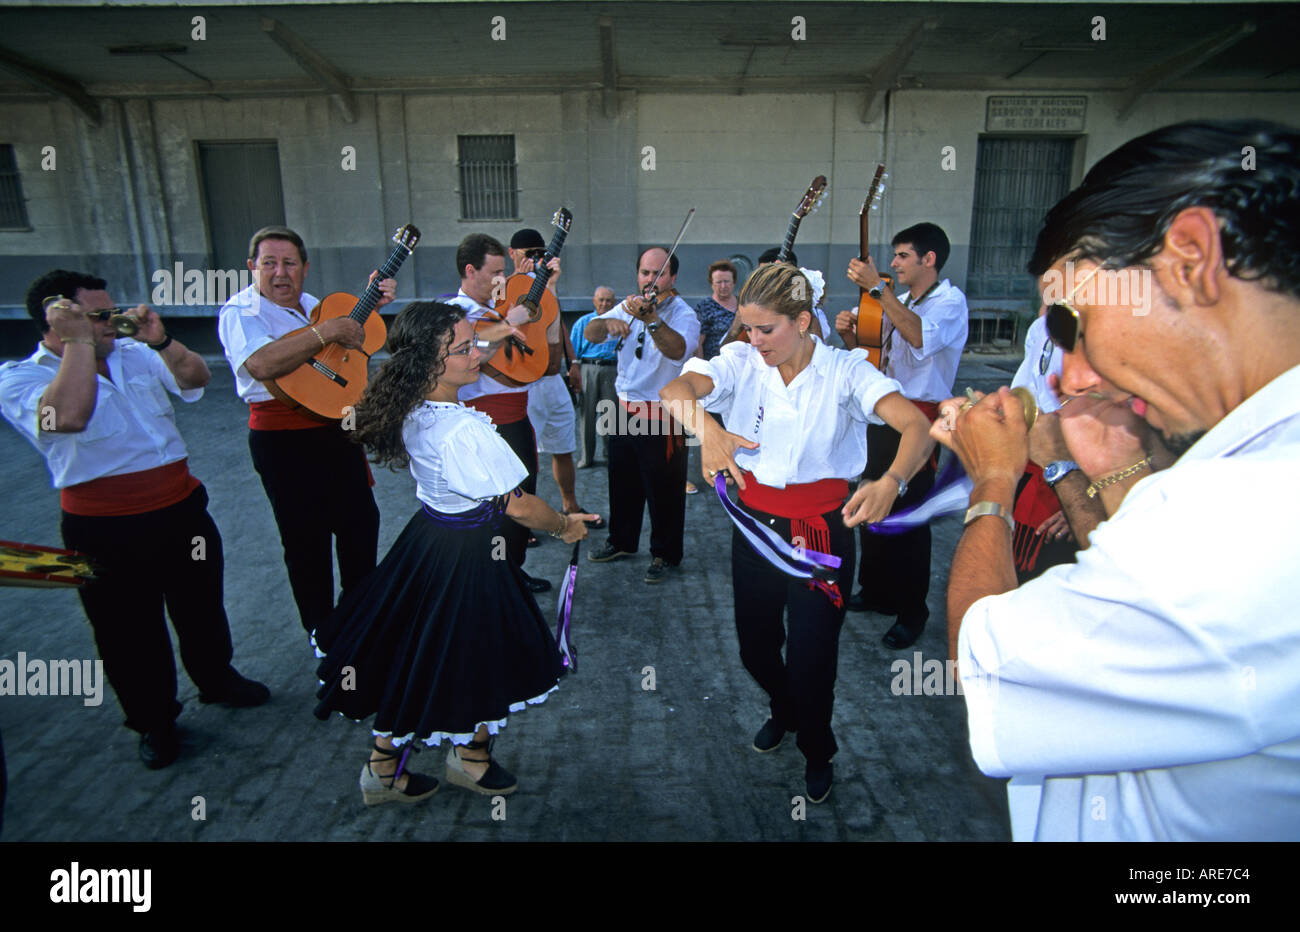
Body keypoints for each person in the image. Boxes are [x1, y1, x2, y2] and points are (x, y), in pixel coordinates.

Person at [936, 119, 1300, 841]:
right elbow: (1140, 596)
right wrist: (1097, 469)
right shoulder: (1247, 478)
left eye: (1074, 323)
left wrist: (995, 481)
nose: (1072, 374)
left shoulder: (1245, 516)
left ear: (1192, 256)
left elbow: (984, 663)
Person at [661, 263, 932, 802]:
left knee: (813, 659)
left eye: (767, 330)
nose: (753, 340)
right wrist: (708, 430)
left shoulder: (846, 370)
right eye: (747, 327)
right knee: (755, 650)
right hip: (755, 528)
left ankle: (817, 745)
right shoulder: (741, 361)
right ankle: (783, 708)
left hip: (822, 534)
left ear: (803, 321)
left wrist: (892, 481)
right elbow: (676, 389)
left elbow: (917, 426)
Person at [312, 302, 592, 805]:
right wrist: (565, 526)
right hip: (466, 558)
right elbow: (520, 506)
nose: (477, 354)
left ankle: (411, 764)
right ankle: (452, 761)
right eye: (462, 349)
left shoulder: (418, 407)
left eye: (473, 342)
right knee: (470, 653)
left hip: (432, 543)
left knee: (426, 651)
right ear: (426, 363)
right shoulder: (465, 429)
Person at [0, 271, 269, 770]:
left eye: (111, 311)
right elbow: (68, 417)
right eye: (96, 316)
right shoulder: (20, 376)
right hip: (105, 527)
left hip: (180, 507)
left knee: (201, 604)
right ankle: (154, 720)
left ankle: (216, 678)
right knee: (127, 631)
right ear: (56, 319)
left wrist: (162, 340)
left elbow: (196, 380)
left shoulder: (132, 353)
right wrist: (82, 344)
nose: (111, 323)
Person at [217, 226, 393, 637]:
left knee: (360, 525)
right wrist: (326, 332)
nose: (280, 272)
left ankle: (359, 619)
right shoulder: (241, 311)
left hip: (336, 430)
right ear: (251, 268)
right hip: (283, 438)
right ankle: (322, 632)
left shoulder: (316, 305)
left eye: (289, 263)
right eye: (269, 263)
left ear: (305, 268)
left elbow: (349, 354)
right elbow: (261, 365)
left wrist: (369, 306)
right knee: (305, 541)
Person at [835, 222, 968, 648]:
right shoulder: (904, 299)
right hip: (885, 410)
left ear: (929, 259)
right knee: (871, 497)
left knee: (909, 514)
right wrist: (850, 335)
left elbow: (918, 337)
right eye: (893, 256)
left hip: (921, 418)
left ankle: (913, 609)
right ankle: (876, 590)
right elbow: (881, 351)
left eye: (902, 256)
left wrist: (879, 290)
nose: (893, 263)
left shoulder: (949, 301)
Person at [445, 233, 558, 593]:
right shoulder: (452, 312)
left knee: (521, 500)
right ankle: (489, 581)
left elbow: (547, 364)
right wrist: (511, 320)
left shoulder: (502, 304)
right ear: (469, 270)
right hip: (482, 422)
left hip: (518, 418)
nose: (501, 280)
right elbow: (472, 353)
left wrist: (546, 296)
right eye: (495, 272)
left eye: (503, 272)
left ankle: (511, 571)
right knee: (491, 509)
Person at [584, 247, 700, 583]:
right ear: (638, 275)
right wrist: (607, 320)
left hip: (663, 413)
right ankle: (622, 540)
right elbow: (592, 334)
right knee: (622, 481)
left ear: (672, 278)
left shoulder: (682, 314)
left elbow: (678, 350)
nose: (651, 280)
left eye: (659, 274)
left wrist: (652, 320)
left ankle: (665, 553)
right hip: (622, 408)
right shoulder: (629, 304)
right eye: (646, 273)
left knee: (665, 489)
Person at [512, 229, 604, 530]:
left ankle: (570, 504)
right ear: (513, 253)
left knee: (564, 446)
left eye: (540, 253)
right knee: (525, 456)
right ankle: (522, 518)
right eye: (528, 253)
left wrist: (573, 361)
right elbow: (508, 323)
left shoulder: (547, 285)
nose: (534, 259)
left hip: (553, 380)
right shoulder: (505, 286)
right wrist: (528, 283)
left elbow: (556, 322)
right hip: (526, 382)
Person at [571, 286, 619, 468]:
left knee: (610, 414)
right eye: (601, 300)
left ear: (614, 302)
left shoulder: (619, 322)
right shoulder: (583, 323)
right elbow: (573, 352)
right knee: (587, 414)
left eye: (608, 300)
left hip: (611, 370)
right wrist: (574, 372)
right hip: (588, 368)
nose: (604, 304)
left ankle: (610, 455)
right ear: (594, 301)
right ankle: (587, 457)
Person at [695, 260, 740, 360]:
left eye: (727, 281)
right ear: (712, 284)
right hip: (714, 364)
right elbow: (698, 344)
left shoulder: (743, 304)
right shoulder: (705, 306)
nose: (723, 286)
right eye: (719, 282)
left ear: (734, 282)